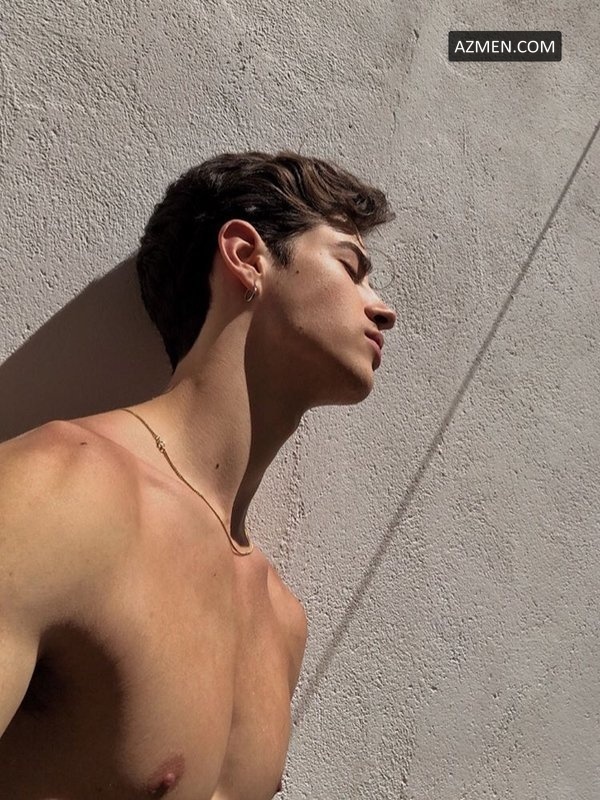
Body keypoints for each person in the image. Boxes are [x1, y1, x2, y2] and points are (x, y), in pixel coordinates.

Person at [0, 150, 397, 798]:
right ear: (245, 256)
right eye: (352, 269)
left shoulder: (281, 622)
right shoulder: (61, 491)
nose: (383, 310)